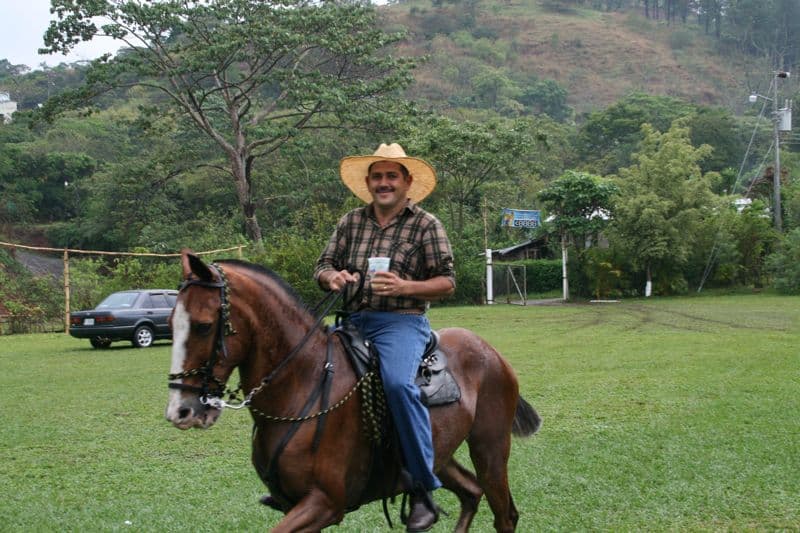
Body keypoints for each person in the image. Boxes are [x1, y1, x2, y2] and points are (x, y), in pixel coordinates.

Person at [314, 143, 455, 532]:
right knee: (317, 379)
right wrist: (334, 277)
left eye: (392, 176)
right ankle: (310, 478)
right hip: (354, 319)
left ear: (408, 182)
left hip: (402, 322)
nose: (384, 183)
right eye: (377, 176)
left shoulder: (426, 224)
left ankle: (423, 490)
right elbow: (323, 265)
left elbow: (447, 282)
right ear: (368, 182)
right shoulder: (350, 222)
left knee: (396, 385)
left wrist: (404, 286)